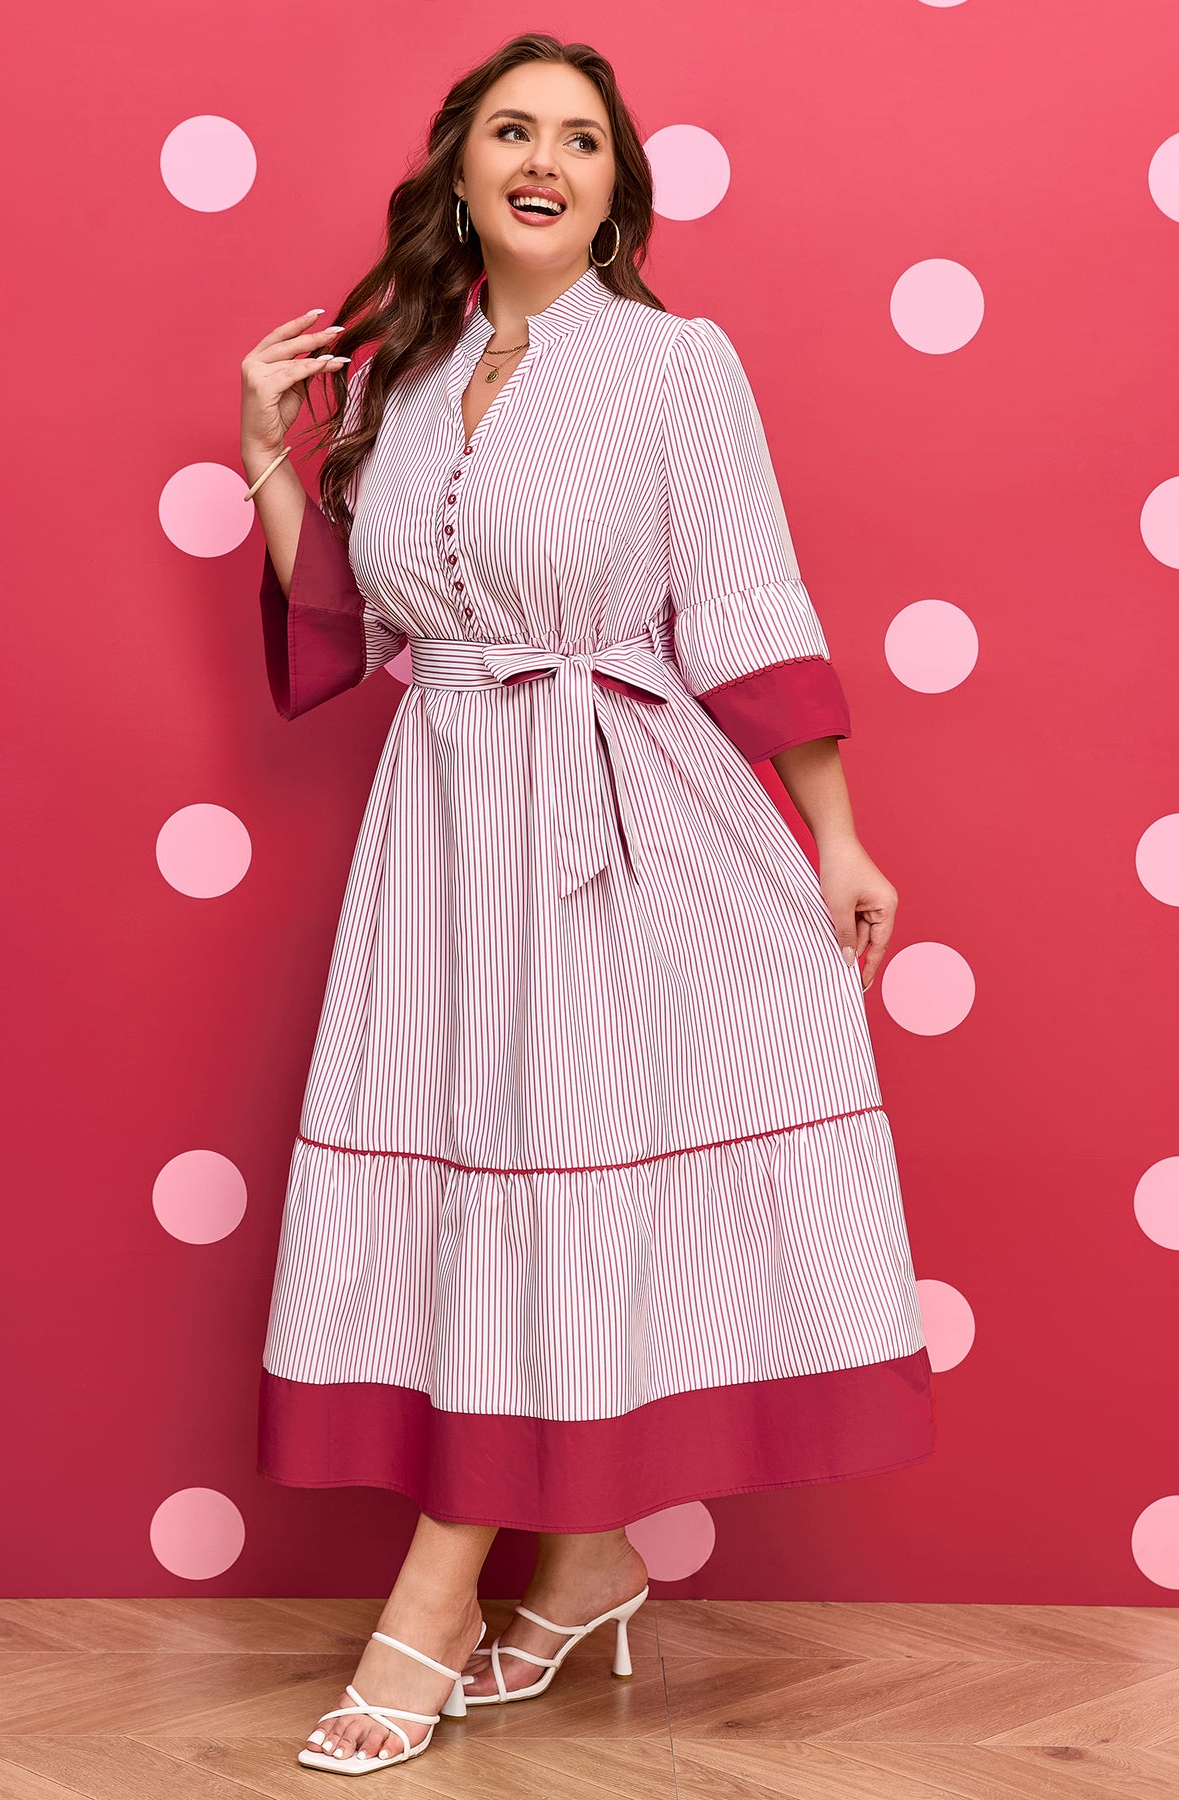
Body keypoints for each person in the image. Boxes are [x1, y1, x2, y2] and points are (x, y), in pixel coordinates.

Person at [239, 32, 936, 1779]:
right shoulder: (404, 380)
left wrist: (836, 836)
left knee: (549, 1185)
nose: (545, 158)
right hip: (438, 840)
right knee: (482, 1180)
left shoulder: (675, 364)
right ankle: (587, 1563)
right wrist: (270, 455)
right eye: (512, 130)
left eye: (581, 138)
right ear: (461, 170)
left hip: (617, 828)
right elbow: (360, 631)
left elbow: (750, 597)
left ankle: (431, 1603)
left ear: (617, 188)